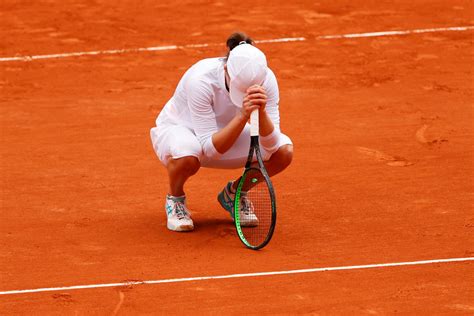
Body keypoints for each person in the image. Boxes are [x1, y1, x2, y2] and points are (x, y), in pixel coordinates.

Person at [150, 32, 293, 232]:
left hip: (226, 135)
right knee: (188, 154)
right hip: (181, 131)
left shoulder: (266, 79)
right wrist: (243, 115)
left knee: (283, 152)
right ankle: (175, 200)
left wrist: (260, 113)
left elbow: (271, 145)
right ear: (226, 69)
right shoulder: (200, 80)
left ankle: (234, 195)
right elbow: (210, 150)